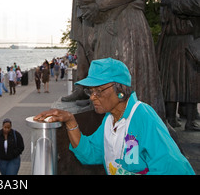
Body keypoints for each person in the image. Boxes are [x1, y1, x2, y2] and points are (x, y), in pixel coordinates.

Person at [33, 58, 195, 175]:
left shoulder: (143, 116)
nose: (92, 97)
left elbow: (174, 168)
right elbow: (90, 153)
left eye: (99, 90)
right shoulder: (109, 120)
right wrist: (70, 120)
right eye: (90, 91)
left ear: (120, 90)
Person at [147, 0, 200, 131]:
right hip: (173, 34)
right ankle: (171, 118)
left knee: (189, 78)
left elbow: (197, 4)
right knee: (171, 79)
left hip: (188, 34)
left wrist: (171, 2)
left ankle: (190, 118)